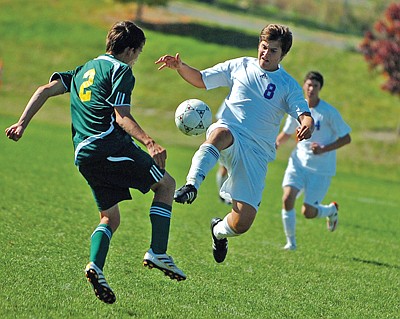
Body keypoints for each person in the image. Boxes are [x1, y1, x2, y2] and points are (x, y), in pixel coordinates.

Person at [5, 21, 186, 304]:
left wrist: (21, 123)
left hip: (84, 155)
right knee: (166, 184)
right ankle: (158, 252)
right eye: (138, 53)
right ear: (129, 50)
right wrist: (150, 142)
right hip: (108, 145)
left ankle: (96, 267)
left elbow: (43, 89)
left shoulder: (82, 70)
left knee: (110, 218)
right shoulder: (121, 70)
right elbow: (120, 116)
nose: (136, 59)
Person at [155, 24, 314, 263]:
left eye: (273, 50)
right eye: (263, 47)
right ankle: (191, 185)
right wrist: (180, 67)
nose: (265, 54)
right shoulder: (240, 65)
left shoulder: (288, 85)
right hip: (231, 131)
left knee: (242, 223)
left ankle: (218, 231)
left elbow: (304, 113)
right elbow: (201, 79)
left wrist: (307, 124)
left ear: (283, 55)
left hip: (257, 153)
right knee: (218, 135)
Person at [276, 71, 351, 251]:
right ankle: (291, 243)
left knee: (308, 212)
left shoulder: (328, 112)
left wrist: (324, 149)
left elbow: (346, 138)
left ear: (320, 89)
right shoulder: (297, 109)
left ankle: (331, 211)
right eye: (308, 85)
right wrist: (275, 144)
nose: (311, 89)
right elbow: (286, 133)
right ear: (304, 86)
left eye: (315, 86)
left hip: (321, 169)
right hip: (298, 163)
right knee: (287, 198)